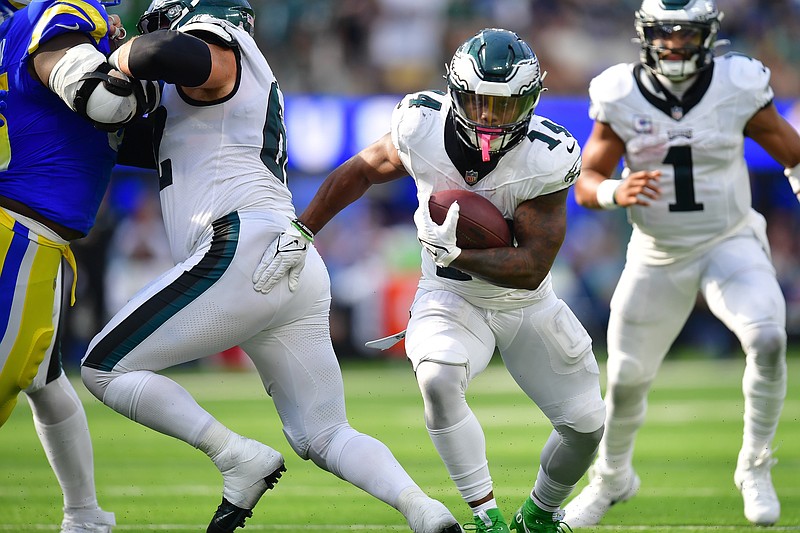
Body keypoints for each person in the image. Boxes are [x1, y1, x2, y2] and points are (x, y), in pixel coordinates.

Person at [78, 1, 463, 532]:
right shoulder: (216, 96)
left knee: (103, 366)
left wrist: (119, 59)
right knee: (323, 435)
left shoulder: (218, 44)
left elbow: (163, 50)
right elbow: (130, 137)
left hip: (241, 247)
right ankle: (427, 513)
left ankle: (235, 456)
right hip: (288, 259)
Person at [257, 28, 607, 533]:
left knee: (586, 427)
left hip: (523, 302)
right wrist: (302, 229)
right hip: (449, 295)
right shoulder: (421, 124)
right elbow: (360, 170)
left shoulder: (546, 155)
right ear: (456, 94)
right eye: (479, 102)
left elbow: (532, 268)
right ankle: (486, 519)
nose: (489, 117)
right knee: (439, 380)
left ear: (529, 103)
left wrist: (460, 251)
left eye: (503, 106)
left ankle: (540, 515)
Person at [563, 0, 800, 528]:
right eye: (664, 32)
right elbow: (586, 180)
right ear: (645, 35)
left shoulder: (737, 84)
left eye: (685, 32)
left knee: (767, 338)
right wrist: (615, 191)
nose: (674, 42)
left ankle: (754, 465)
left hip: (729, 240)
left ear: (708, 35)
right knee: (624, 379)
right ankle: (611, 478)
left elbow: (793, 153)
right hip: (656, 253)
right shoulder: (620, 92)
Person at [0, 0, 158, 530]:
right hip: (19, 233)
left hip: (30, 233)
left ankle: (85, 515)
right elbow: (102, 104)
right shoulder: (62, 13)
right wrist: (149, 64)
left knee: (45, 382)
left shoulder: (13, 26)